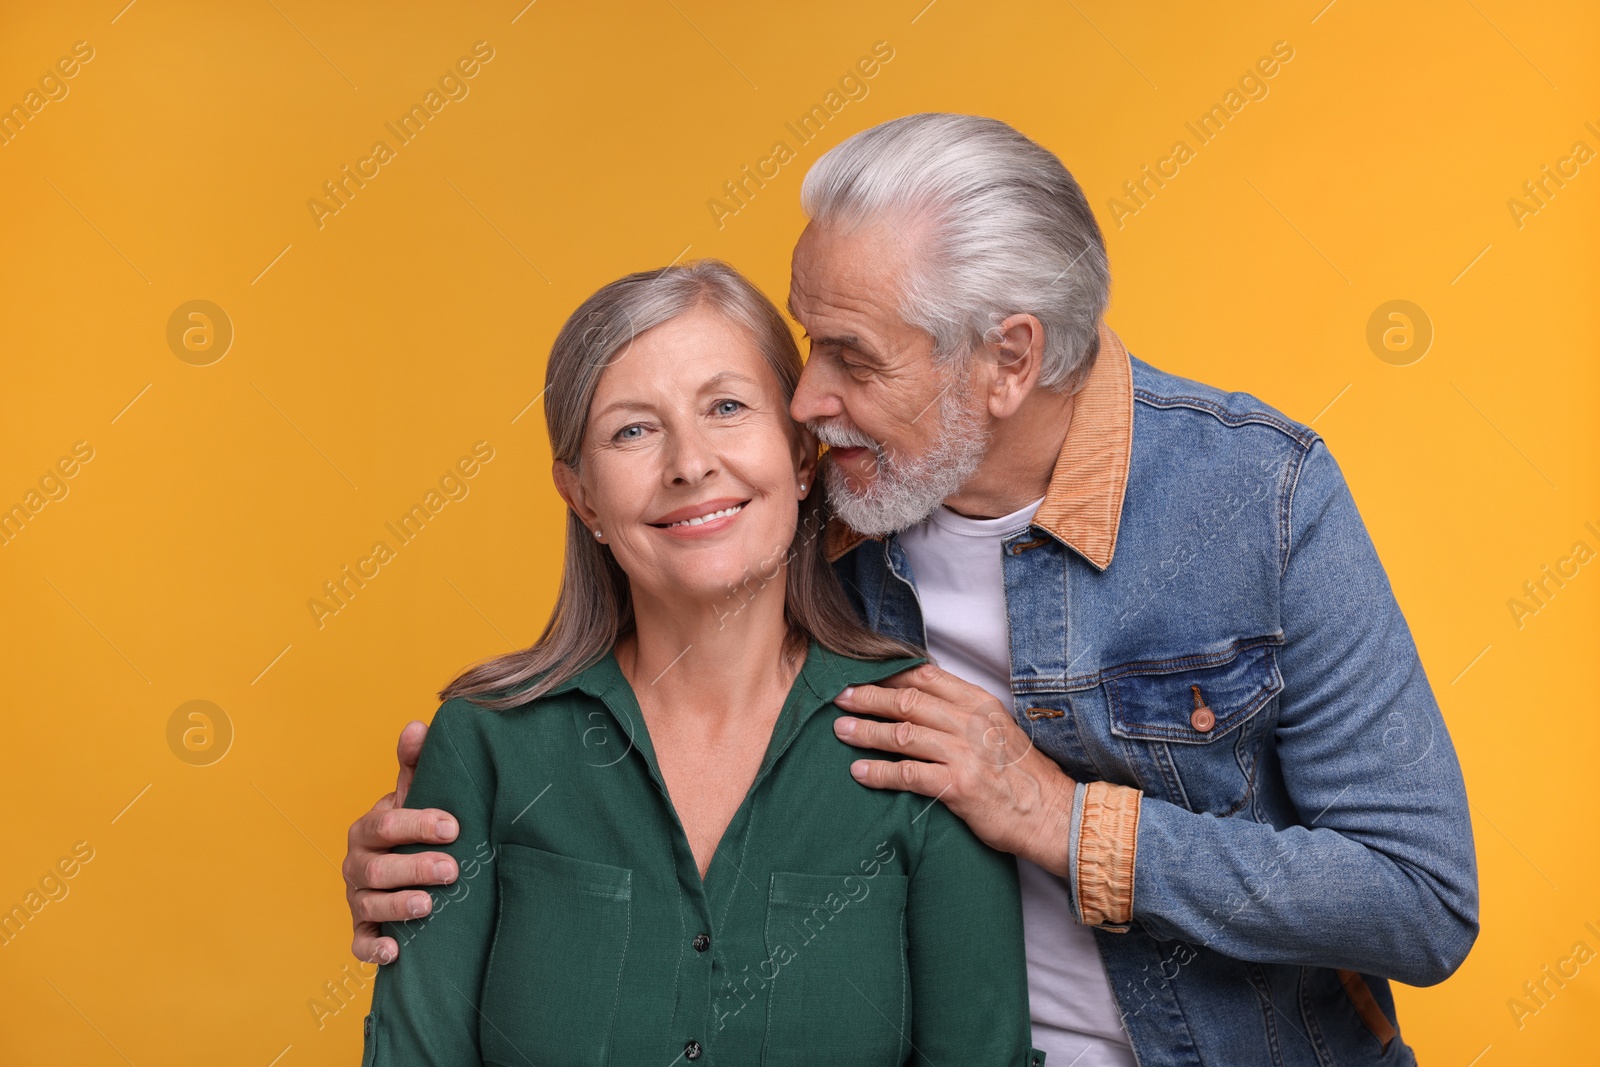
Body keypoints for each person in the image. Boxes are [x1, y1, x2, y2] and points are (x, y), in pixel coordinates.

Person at [347, 114, 1478, 1066]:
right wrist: (457, 853)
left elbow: (1420, 897)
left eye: (851, 356)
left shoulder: (1255, 497)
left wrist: (1055, 815)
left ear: (1006, 360)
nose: (803, 401)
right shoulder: (828, 500)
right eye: (805, 345)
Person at [354, 259, 1042, 1066]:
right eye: (633, 429)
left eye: (725, 407)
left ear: (801, 456)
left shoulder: (927, 738)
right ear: (582, 497)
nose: (689, 462)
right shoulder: (486, 745)